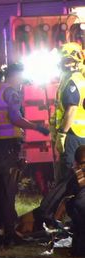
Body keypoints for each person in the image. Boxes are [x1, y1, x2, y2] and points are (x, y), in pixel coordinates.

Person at [0, 63, 49, 248]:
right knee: (8, 192)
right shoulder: (11, 93)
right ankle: (9, 235)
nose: (21, 83)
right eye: (21, 79)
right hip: (7, 148)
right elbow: (16, 118)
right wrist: (37, 127)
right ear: (15, 76)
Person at [54, 42, 85, 182]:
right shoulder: (79, 79)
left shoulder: (72, 81)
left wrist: (62, 133)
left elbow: (71, 109)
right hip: (81, 133)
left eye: (67, 60)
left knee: (69, 171)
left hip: (72, 133)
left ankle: (70, 201)